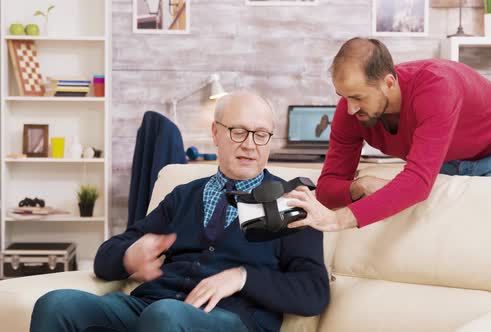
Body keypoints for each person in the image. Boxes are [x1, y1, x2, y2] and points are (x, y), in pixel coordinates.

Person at [30, 91, 329, 332]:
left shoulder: (288, 200)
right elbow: (105, 259)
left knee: (165, 316)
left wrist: (242, 277)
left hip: (228, 319)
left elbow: (313, 292)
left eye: (261, 134)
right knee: (56, 304)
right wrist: (128, 255)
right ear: (215, 132)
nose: (250, 145)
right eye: (238, 132)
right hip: (152, 307)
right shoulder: (184, 195)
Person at [285, 37, 491, 232]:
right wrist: (358, 187)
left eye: (358, 97)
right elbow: (328, 189)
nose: (350, 108)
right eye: (344, 96)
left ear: (389, 83)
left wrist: (338, 220)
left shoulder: (436, 87)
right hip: (447, 158)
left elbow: (417, 184)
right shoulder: (349, 110)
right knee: (448, 239)